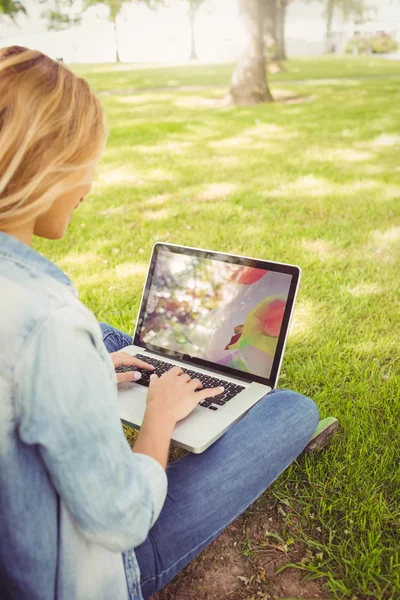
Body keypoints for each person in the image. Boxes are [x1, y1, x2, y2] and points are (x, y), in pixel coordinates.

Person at [0, 46, 321, 600]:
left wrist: (95, 374)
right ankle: (173, 384)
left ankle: (153, 368)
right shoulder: (51, 325)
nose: (89, 186)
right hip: (89, 575)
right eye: (86, 164)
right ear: (44, 167)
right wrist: (159, 419)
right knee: (294, 409)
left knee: (110, 341)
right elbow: (121, 519)